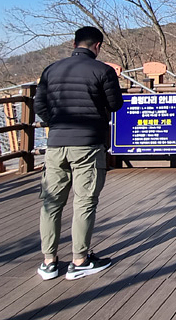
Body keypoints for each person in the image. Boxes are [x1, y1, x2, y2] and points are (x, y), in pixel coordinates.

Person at [34, 26, 123, 281]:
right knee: (84, 201)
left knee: (51, 203)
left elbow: (39, 104)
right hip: (87, 143)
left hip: (56, 144)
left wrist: (57, 122)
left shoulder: (51, 69)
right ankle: (79, 259)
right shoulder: (102, 70)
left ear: (74, 44)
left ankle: (49, 261)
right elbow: (115, 104)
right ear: (97, 46)